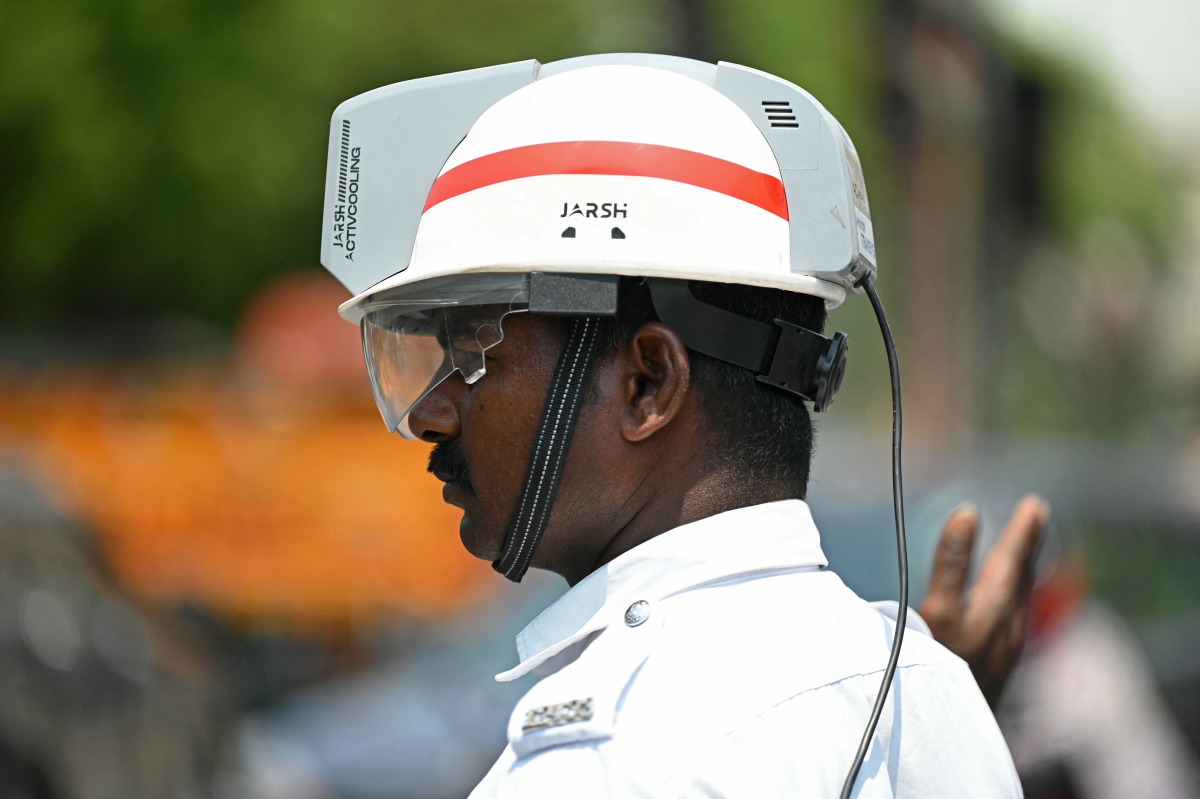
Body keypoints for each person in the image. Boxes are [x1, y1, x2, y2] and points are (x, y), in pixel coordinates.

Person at [319, 54, 1047, 796]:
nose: (431, 413)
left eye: (473, 347)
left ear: (648, 383)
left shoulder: (607, 764)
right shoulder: (929, 697)